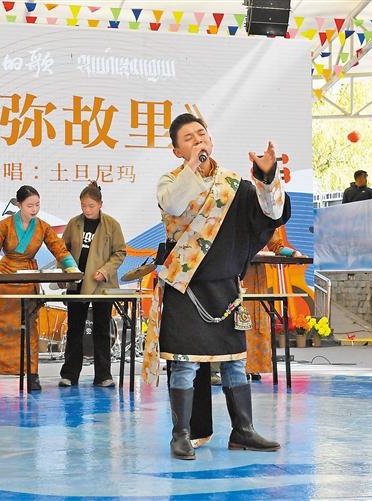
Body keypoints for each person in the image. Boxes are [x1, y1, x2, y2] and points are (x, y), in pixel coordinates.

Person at [143, 113, 290, 460]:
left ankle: (243, 430)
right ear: (177, 151)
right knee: (184, 364)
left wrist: (267, 176)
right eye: (189, 138)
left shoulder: (234, 184)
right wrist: (194, 168)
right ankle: (181, 434)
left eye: (202, 134)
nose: (198, 140)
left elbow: (271, 214)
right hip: (185, 285)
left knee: (235, 362)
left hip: (225, 285)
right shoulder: (170, 181)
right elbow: (174, 204)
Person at [0, 185, 79, 392]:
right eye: (30, 205)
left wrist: (71, 267)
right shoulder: (5, 225)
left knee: (30, 327)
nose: (34, 209)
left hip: (29, 277)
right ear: (19, 205)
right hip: (7, 277)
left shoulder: (42, 227)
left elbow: (59, 249)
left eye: (37, 205)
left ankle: (32, 374)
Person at [58, 182, 127, 388]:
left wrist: (105, 270)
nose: (87, 210)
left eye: (91, 206)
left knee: (102, 330)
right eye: (83, 206)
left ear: (100, 204)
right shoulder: (74, 223)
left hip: (101, 285)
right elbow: (62, 250)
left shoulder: (112, 225)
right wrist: (67, 271)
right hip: (77, 284)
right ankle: (69, 374)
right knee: (74, 330)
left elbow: (120, 252)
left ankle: (103, 375)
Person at [242, 228, 300, 381]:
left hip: (256, 274)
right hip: (235, 271)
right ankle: (237, 367)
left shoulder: (265, 220)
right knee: (238, 320)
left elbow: (276, 246)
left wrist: (293, 253)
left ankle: (253, 366)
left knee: (256, 321)